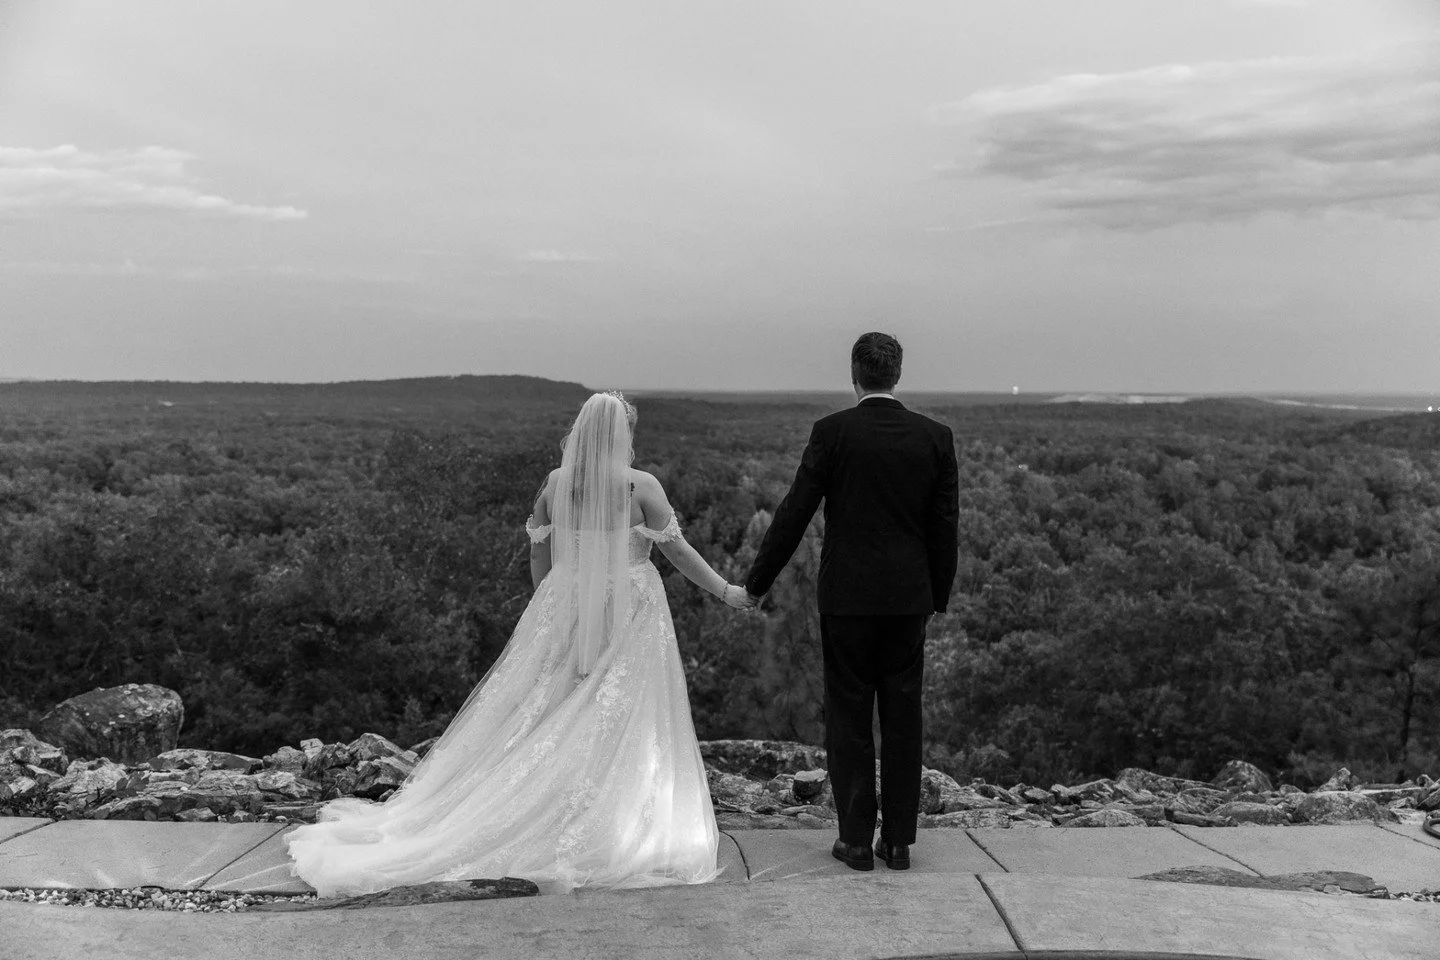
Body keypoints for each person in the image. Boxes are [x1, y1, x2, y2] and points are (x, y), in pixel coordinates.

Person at [284, 391, 753, 897]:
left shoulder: (556, 485)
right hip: (630, 612)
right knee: (620, 713)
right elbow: (678, 553)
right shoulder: (641, 487)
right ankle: (609, 819)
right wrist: (726, 591)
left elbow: (539, 555)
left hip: (564, 603)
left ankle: (545, 807)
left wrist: (551, 606)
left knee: (552, 706)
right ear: (622, 436)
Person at [744, 332, 959, 871]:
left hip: (847, 600)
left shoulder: (832, 433)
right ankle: (901, 842)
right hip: (909, 601)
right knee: (904, 717)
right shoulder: (935, 437)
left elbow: (794, 512)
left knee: (849, 719)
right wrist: (938, 595)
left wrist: (756, 582)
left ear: (855, 375)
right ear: (898, 375)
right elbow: (943, 528)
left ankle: (857, 840)